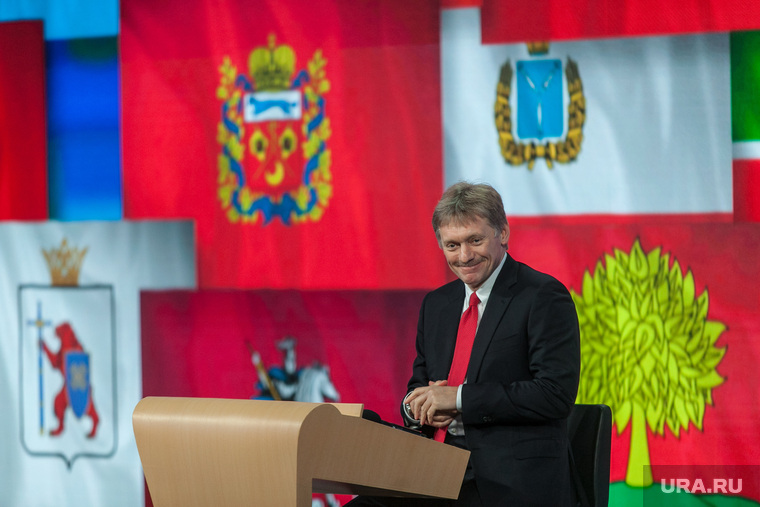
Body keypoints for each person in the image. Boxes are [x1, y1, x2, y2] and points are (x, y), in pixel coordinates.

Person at [348, 182, 580, 507]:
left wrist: (457, 398)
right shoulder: (436, 305)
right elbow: (419, 385)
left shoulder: (542, 296)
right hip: (433, 467)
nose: (465, 256)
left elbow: (554, 394)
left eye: (475, 240)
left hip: (509, 478)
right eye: (452, 245)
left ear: (503, 233)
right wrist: (417, 409)